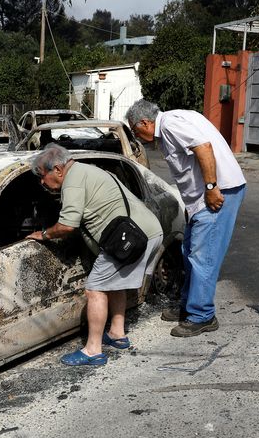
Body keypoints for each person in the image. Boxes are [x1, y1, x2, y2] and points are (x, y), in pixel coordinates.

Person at [27, 144, 163, 366]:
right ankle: (117, 334)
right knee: (114, 284)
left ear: (58, 169)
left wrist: (44, 234)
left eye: (43, 176)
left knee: (95, 288)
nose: (42, 182)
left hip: (130, 239)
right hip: (145, 231)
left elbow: (67, 225)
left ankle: (93, 350)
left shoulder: (72, 182)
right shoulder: (87, 170)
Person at [125, 99, 247, 338]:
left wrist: (212, 187)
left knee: (203, 256)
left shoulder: (170, 124)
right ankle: (189, 305)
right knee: (189, 251)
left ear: (145, 122)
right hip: (202, 199)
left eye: (134, 129)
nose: (135, 135)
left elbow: (204, 147)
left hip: (219, 192)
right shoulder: (170, 124)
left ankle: (202, 315)